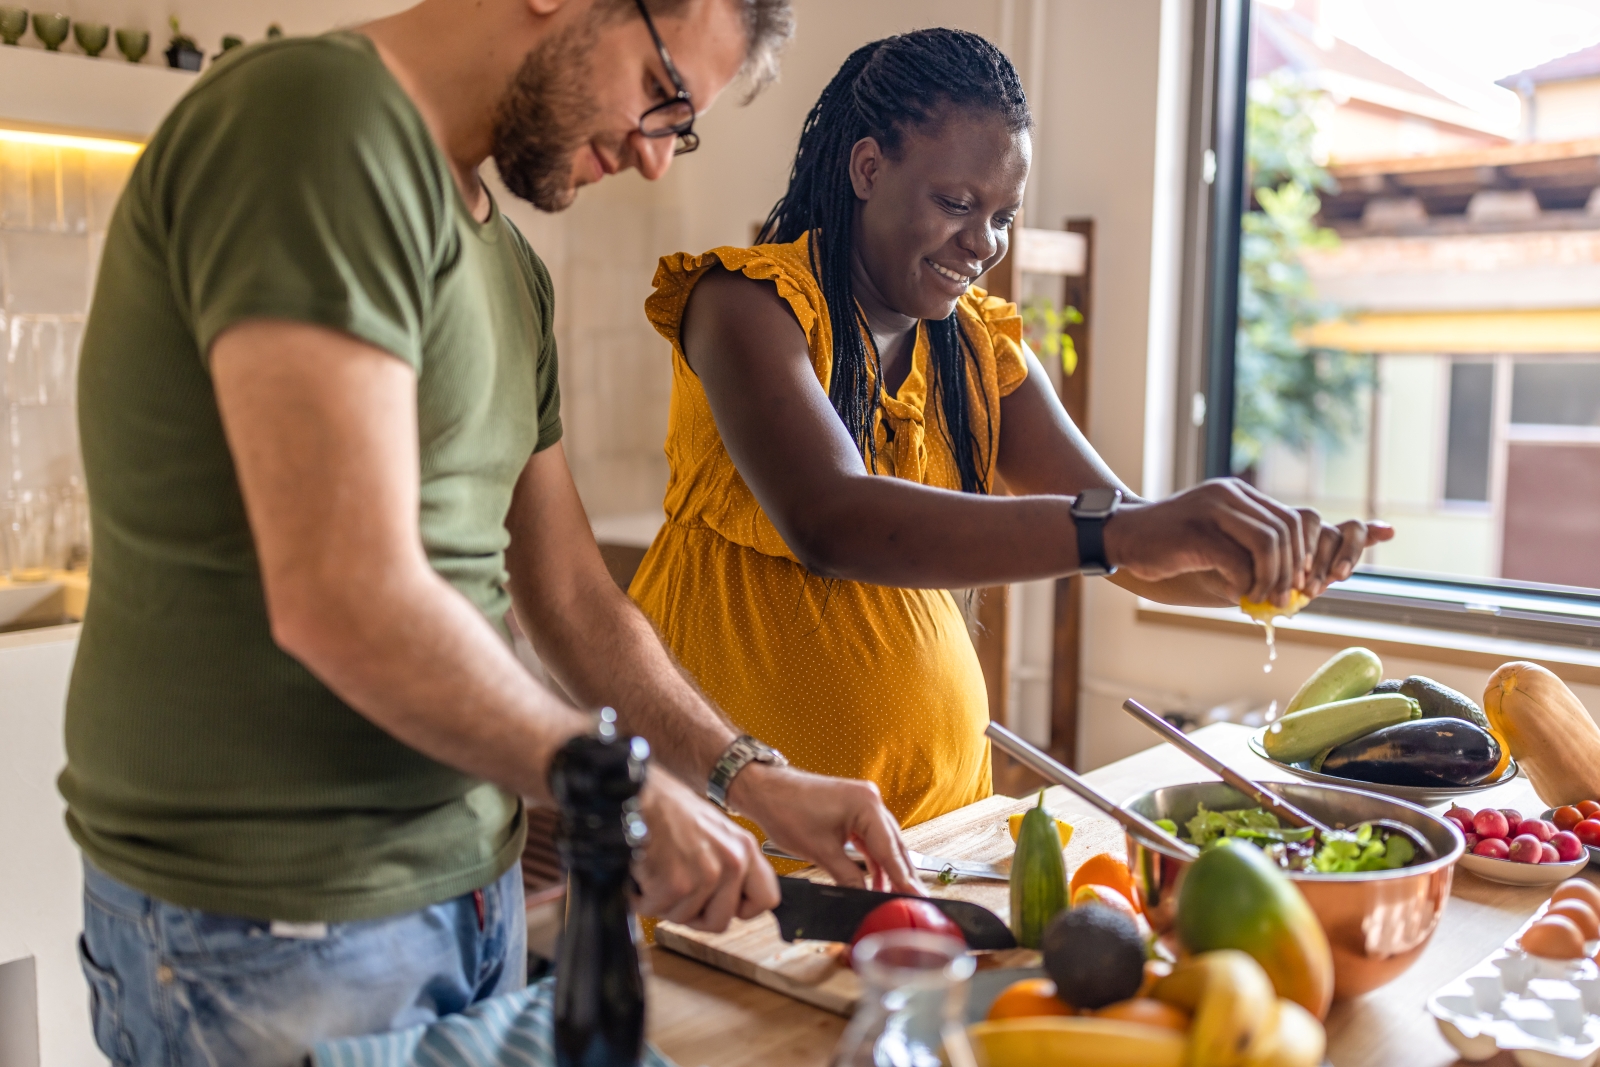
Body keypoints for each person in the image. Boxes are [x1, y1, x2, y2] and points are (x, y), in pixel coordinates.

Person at [60, 0, 923, 1061]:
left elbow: (566, 596)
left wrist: (746, 775)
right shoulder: (317, 122)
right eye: (662, 95)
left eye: (680, 125)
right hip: (272, 919)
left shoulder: (505, 263)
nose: (656, 160)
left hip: (466, 894)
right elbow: (345, 591)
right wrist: (619, 789)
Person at [630, 29, 1394, 829]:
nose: (984, 243)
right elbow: (832, 519)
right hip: (732, 831)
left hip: (934, 834)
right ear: (867, 168)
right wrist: (1132, 530)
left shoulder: (979, 350)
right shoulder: (746, 307)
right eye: (958, 204)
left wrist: (1264, 562)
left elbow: (1139, 552)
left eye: (1002, 215)